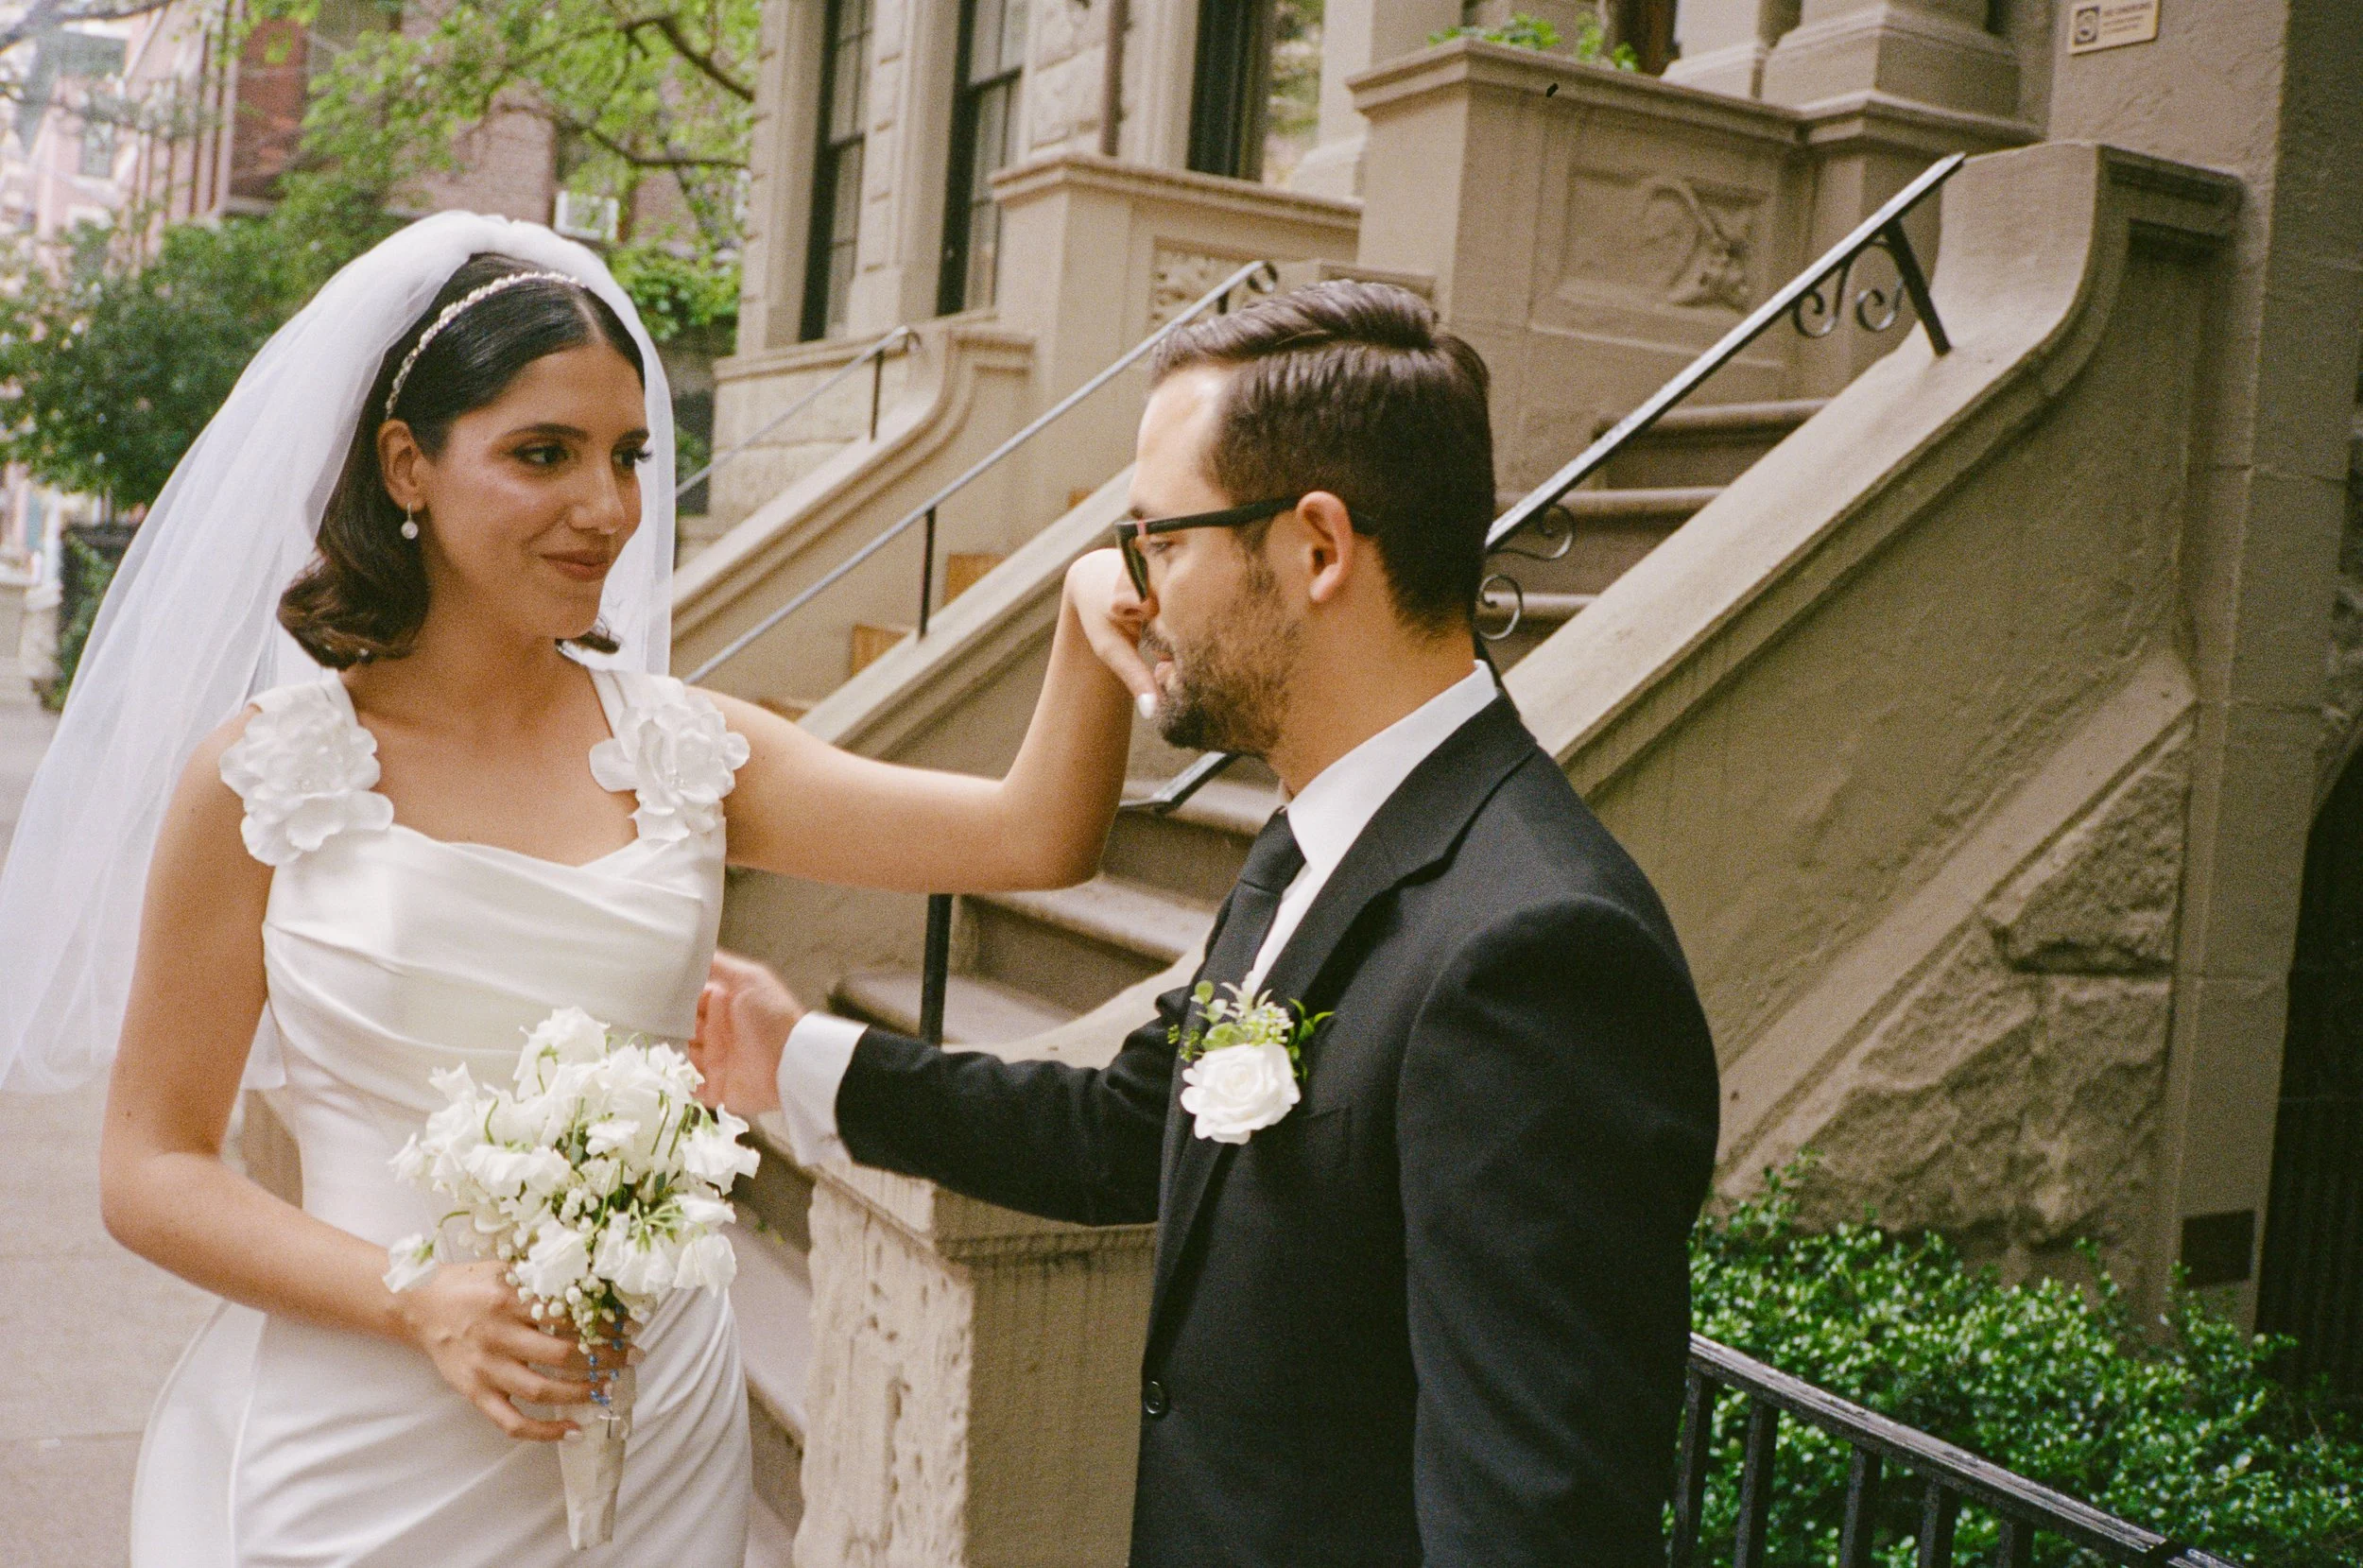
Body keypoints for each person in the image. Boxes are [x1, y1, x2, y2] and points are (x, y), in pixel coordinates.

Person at [0, 215, 1149, 1563]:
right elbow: (149, 1167)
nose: (604, 507)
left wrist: (1083, 612)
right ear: (407, 463)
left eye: (628, 456)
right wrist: (418, 1296)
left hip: (648, 1419)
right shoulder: (263, 781)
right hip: (361, 1432)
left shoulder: (688, 751)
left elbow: (1032, 838)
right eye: (543, 453)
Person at [690, 281, 1724, 1567]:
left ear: (1318, 549)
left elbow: (1530, 1527)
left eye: (1158, 542)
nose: (1131, 595)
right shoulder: (1317, 837)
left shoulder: (1535, 953)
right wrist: (793, 1060)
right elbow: (1138, 1126)